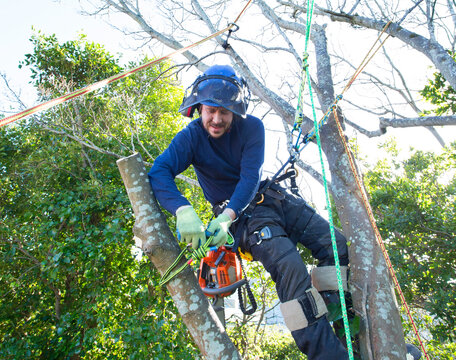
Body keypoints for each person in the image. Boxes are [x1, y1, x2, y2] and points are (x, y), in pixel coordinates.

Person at [148, 64, 352, 359]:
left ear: (236, 111)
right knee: (290, 268)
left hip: (270, 199)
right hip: (246, 222)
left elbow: (249, 177)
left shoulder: (252, 127)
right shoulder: (190, 137)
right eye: (210, 111)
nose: (216, 119)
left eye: (225, 112)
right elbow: (159, 172)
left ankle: (343, 329)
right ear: (198, 108)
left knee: (337, 245)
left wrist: (226, 216)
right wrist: (182, 209)